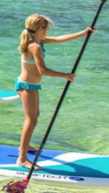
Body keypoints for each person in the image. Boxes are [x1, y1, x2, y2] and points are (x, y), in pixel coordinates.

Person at [15, 14, 94, 168]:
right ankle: (22, 158)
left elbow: (60, 39)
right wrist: (65, 76)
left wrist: (83, 33)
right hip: (27, 86)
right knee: (31, 120)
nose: (48, 32)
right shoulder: (34, 46)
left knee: (34, 117)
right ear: (41, 28)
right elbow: (43, 70)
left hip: (31, 85)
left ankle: (24, 147)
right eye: (47, 28)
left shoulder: (37, 41)